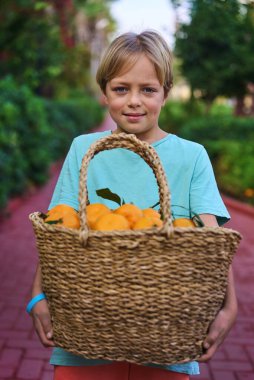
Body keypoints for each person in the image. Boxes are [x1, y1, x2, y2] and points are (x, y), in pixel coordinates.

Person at [28, 30, 238, 380]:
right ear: (105, 92)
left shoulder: (191, 156)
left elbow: (210, 243)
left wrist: (230, 305)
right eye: (121, 89)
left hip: (166, 334)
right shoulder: (84, 150)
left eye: (148, 90)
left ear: (166, 93)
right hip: (86, 330)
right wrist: (37, 296)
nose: (134, 101)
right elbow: (58, 232)